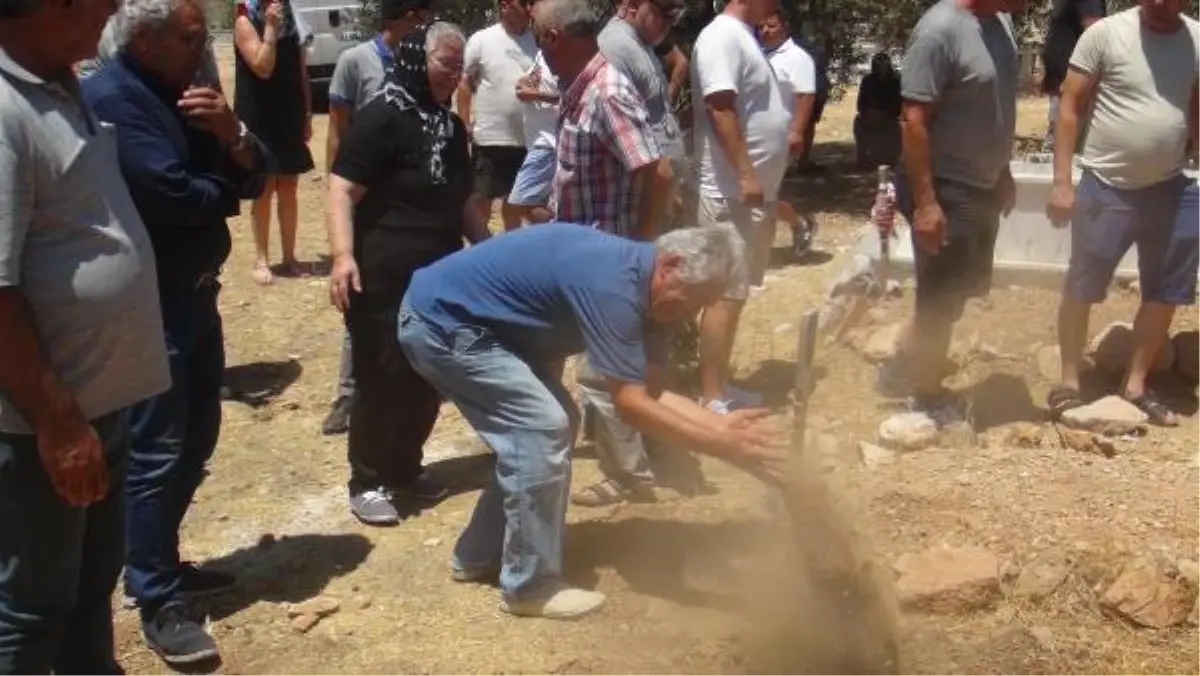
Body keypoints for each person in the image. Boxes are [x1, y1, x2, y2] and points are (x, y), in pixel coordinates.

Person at [396, 224, 783, 620]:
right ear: (670, 266)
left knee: (555, 422)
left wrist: (720, 427)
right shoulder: (613, 284)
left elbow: (649, 387)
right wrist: (720, 444)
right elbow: (630, 404)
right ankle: (529, 587)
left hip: (487, 329)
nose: (689, 314)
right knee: (540, 427)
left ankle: (479, 554)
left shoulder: (654, 294)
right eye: (692, 301)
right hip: (442, 321)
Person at [0, 0, 171, 671]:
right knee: (32, 610)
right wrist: (57, 421)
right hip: (40, 427)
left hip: (95, 406)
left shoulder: (59, 82)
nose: (114, 10)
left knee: (87, 591)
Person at [327, 22, 489, 526]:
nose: (454, 74)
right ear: (420, 59)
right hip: (380, 275)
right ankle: (368, 479)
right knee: (380, 377)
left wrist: (487, 250)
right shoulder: (381, 117)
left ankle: (404, 469)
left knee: (425, 374)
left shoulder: (449, 126)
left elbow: (461, 200)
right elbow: (340, 191)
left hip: (437, 275)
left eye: (460, 66)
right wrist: (342, 256)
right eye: (446, 62)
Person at [541, 0, 681, 506]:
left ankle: (630, 479)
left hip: (610, 255)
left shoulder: (605, 90)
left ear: (556, 39)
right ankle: (644, 459)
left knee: (601, 374)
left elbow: (657, 171)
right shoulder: (583, 87)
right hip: (589, 254)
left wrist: (640, 241)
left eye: (542, 43)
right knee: (613, 367)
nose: (541, 55)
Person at [1045, 0, 1200, 425]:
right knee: (1082, 285)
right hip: (1106, 185)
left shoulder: (1196, 40)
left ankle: (1134, 386)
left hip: (1172, 184)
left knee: (1166, 290)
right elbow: (1070, 104)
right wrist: (1062, 181)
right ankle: (1070, 382)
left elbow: (1196, 106)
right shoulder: (1106, 34)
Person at [883, 0, 1021, 420]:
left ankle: (903, 362)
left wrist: (1004, 170)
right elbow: (913, 120)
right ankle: (926, 396)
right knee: (940, 296)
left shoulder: (1000, 23)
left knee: (960, 290)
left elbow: (993, 107)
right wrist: (926, 204)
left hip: (983, 184)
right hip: (944, 185)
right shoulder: (938, 31)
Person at [320, 0, 434, 437]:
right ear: (398, 18)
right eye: (418, 16)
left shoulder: (420, 63)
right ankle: (350, 392)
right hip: (364, 196)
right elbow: (337, 129)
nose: (423, 23)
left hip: (404, 202)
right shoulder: (355, 62)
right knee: (361, 301)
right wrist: (334, 194)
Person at [689, 0, 790, 413]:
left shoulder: (741, 37)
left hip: (745, 194)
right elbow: (720, 107)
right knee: (723, 296)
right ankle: (712, 395)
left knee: (735, 293)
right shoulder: (720, 37)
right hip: (728, 192)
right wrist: (747, 173)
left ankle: (721, 384)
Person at [235, 0, 315, 285]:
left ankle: (290, 257)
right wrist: (269, 26)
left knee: (289, 184)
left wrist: (306, 113)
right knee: (265, 186)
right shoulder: (245, 19)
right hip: (258, 114)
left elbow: (301, 71)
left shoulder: (293, 20)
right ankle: (261, 258)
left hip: (288, 111)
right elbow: (262, 66)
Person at [457, 0, 538, 232]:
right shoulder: (481, 40)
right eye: (523, 3)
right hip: (490, 138)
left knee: (516, 202)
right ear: (505, 5)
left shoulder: (538, 42)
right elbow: (464, 84)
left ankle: (510, 251)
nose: (529, 8)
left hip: (526, 138)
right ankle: (480, 250)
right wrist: (463, 124)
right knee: (482, 201)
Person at [758, 8, 817, 257]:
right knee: (761, 193)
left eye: (770, 26)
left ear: (785, 27)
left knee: (763, 194)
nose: (764, 31)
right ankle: (797, 225)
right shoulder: (758, 54)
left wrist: (797, 132)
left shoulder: (797, 58)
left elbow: (806, 95)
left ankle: (795, 227)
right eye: (761, 26)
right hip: (758, 137)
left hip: (782, 137)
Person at [1040, 0, 1105, 149]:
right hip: (1065, 82)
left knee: (1063, 145)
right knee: (1061, 143)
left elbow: (1094, 30)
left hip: (1074, 85)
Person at [507, 47, 559, 225]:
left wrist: (536, 95)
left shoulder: (562, 59)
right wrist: (524, 83)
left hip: (548, 142)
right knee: (534, 202)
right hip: (538, 140)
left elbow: (567, 96)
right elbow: (525, 80)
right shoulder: (541, 54)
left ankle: (561, 231)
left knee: (522, 201)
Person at [853, 52, 902, 168]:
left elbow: (898, 106)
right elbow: (861, 105)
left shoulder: (894, 81)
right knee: (859, 121)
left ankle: (869, 158)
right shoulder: (869, 80)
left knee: (859, 121)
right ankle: (864, 158)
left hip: (888, 117)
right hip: (876, 116)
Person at [791, 32, 828, 172]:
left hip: (816, 88)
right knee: (801, 125)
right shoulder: (798, 47)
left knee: (809, 126)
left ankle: (802, 161)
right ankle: (798, 161)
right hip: (809, 88)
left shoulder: (813, 47)